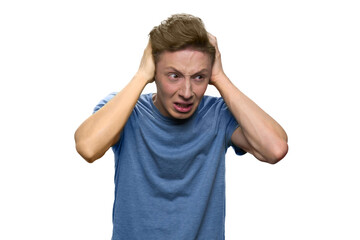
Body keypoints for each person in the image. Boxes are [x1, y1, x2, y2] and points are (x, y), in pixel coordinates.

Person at [75, 13, 288, 240]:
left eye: (198, 77)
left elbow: (275, 149)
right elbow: (88, 147)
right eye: (174, 75)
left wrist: (220, 77)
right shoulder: (126, 110)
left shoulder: (218, 115)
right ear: (154, 71)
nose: (187, 93)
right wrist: (140, 75)